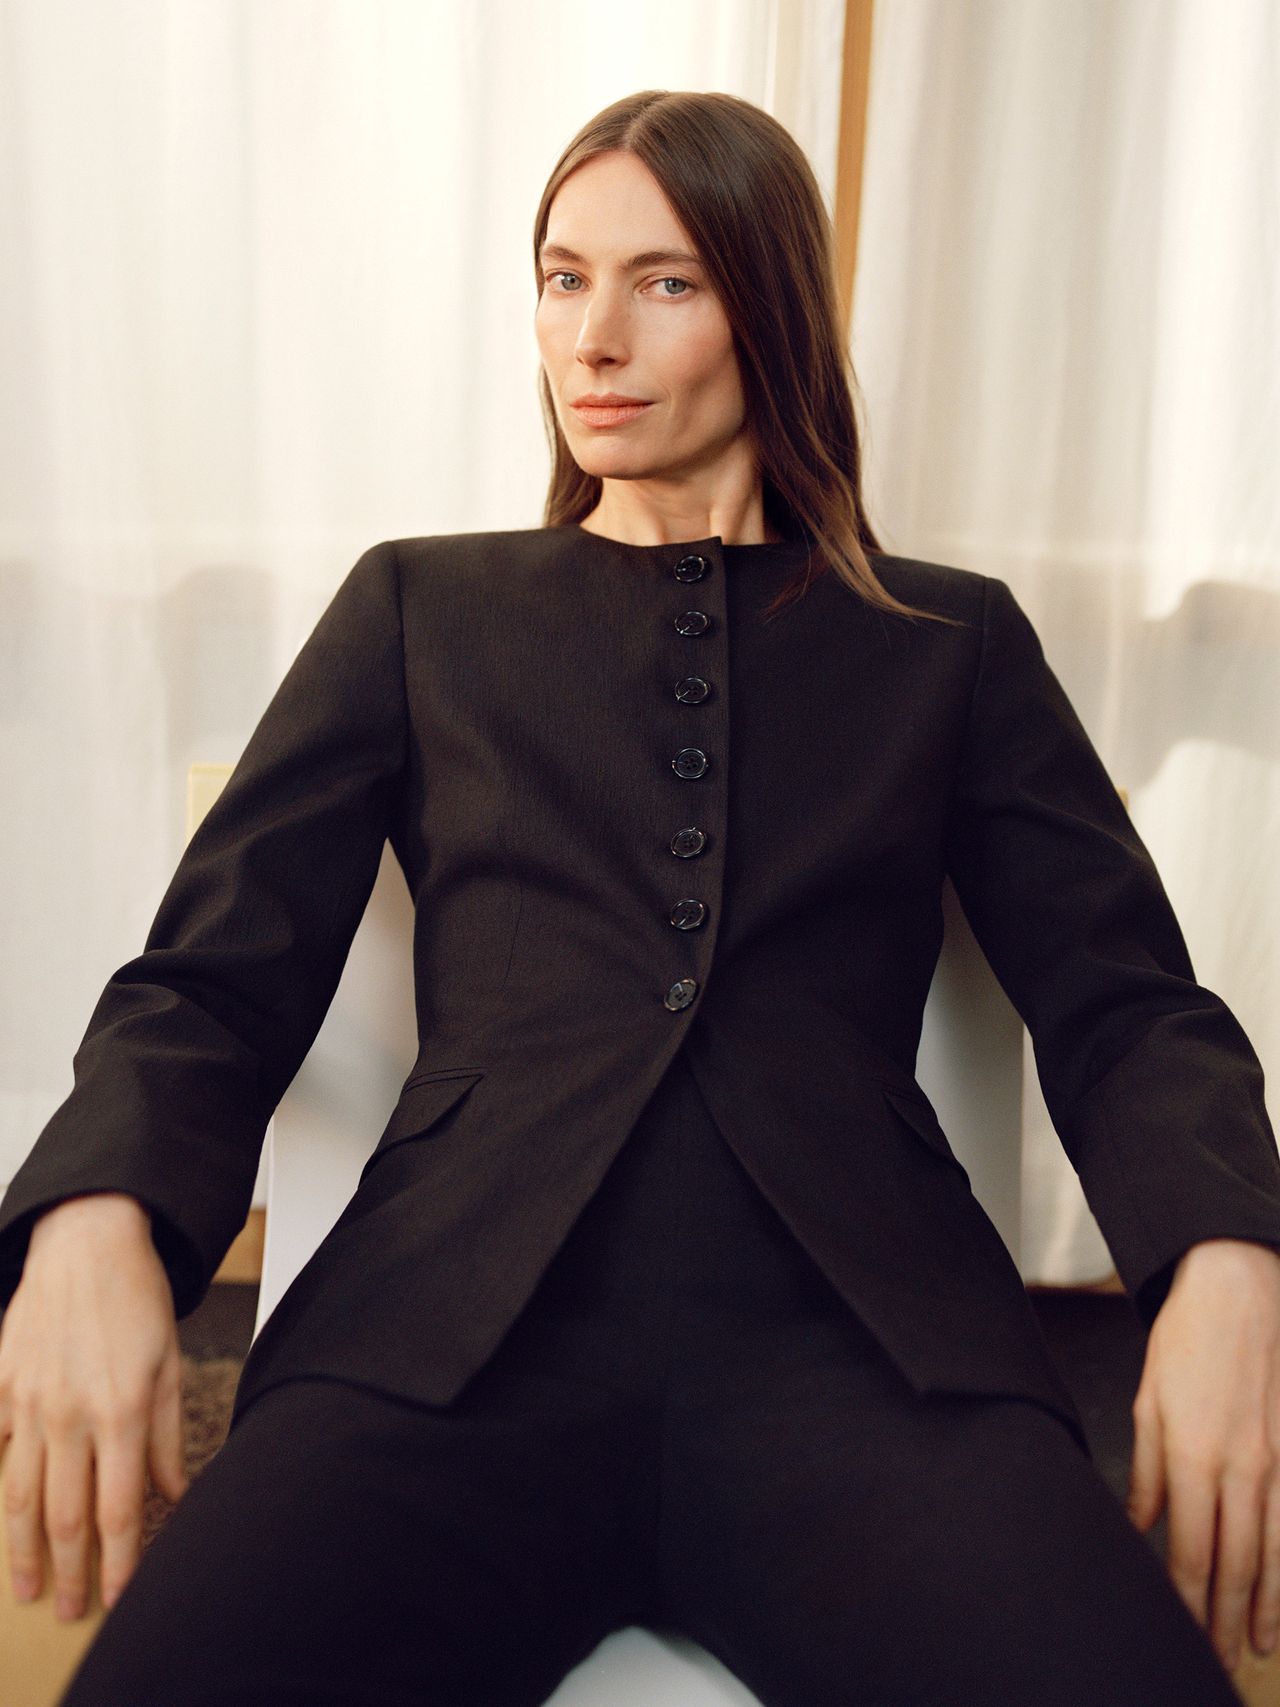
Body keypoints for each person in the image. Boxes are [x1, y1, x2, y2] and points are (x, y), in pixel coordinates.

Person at [1, 88, 1277, 1707]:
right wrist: (97, 1214)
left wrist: (1228, 1257)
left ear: (773, 311)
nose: (591, 337)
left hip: (873, 1362)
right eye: (562, 278)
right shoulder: (420, 606)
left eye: (664, 281)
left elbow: (1128, 1004)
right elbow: (212, 977)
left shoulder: (947, 645)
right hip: (440, 1351)